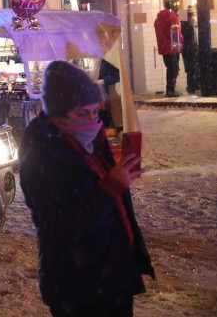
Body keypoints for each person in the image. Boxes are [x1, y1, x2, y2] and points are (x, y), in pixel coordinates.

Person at [20, 60, 154, 316]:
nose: (92, 120)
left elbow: (109, 201)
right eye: (83, 113)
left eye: (95, 111)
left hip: (112, 274)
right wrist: (112, 185)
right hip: (77, 284)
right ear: (58, 113)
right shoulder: (41, 153)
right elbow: (61, 227)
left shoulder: (92, 136)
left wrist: (120, 178)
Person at [153, 1, 182, 97]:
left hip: (164, 47)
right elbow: (176, 32)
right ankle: (170, 90)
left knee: (170, 68)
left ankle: (170, 90)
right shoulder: (173, 16)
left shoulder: (159, 19)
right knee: (174, 68)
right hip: (173, 47)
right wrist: (181, 41)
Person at [180, 6, 199, 94]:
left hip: (188, 48)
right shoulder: (187, 24)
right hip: (189, 49)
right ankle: (192, 87)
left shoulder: (186, 24)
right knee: (191, 68)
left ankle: (192, 86)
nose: (193, 18)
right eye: (191, 15)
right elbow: (190, 38)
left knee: (191, 69)